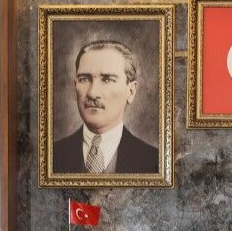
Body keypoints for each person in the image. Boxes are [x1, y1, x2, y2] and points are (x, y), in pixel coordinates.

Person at [52, 39, 159, 174]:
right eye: (84, 79)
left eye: (108, 80)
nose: (92, 93)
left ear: (131, 91)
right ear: (75, 87)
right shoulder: (50, 156)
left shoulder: (154, 162)